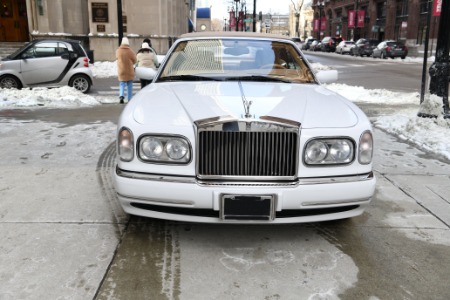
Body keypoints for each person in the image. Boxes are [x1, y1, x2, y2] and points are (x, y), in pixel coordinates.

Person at [116, 37, 137, 104]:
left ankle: (121, 95)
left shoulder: (118, 51)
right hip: (129, 70)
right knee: (129, 84)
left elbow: (117, 57)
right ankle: (129, 98)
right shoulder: (130, 51)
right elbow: (135, 60)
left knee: (122, 84)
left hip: (121, 70)